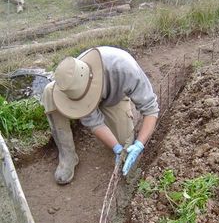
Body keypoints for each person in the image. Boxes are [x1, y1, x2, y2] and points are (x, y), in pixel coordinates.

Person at [41, 46, 159, 185]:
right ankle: (68, 156)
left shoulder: (125, 70)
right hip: (79, 97)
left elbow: (151, 110)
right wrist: (116, 148)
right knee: (50, 92)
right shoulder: (74, 82)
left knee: (124, 142)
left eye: (87, 100)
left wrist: (139, 144)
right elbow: (94, 122)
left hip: (113, 99)